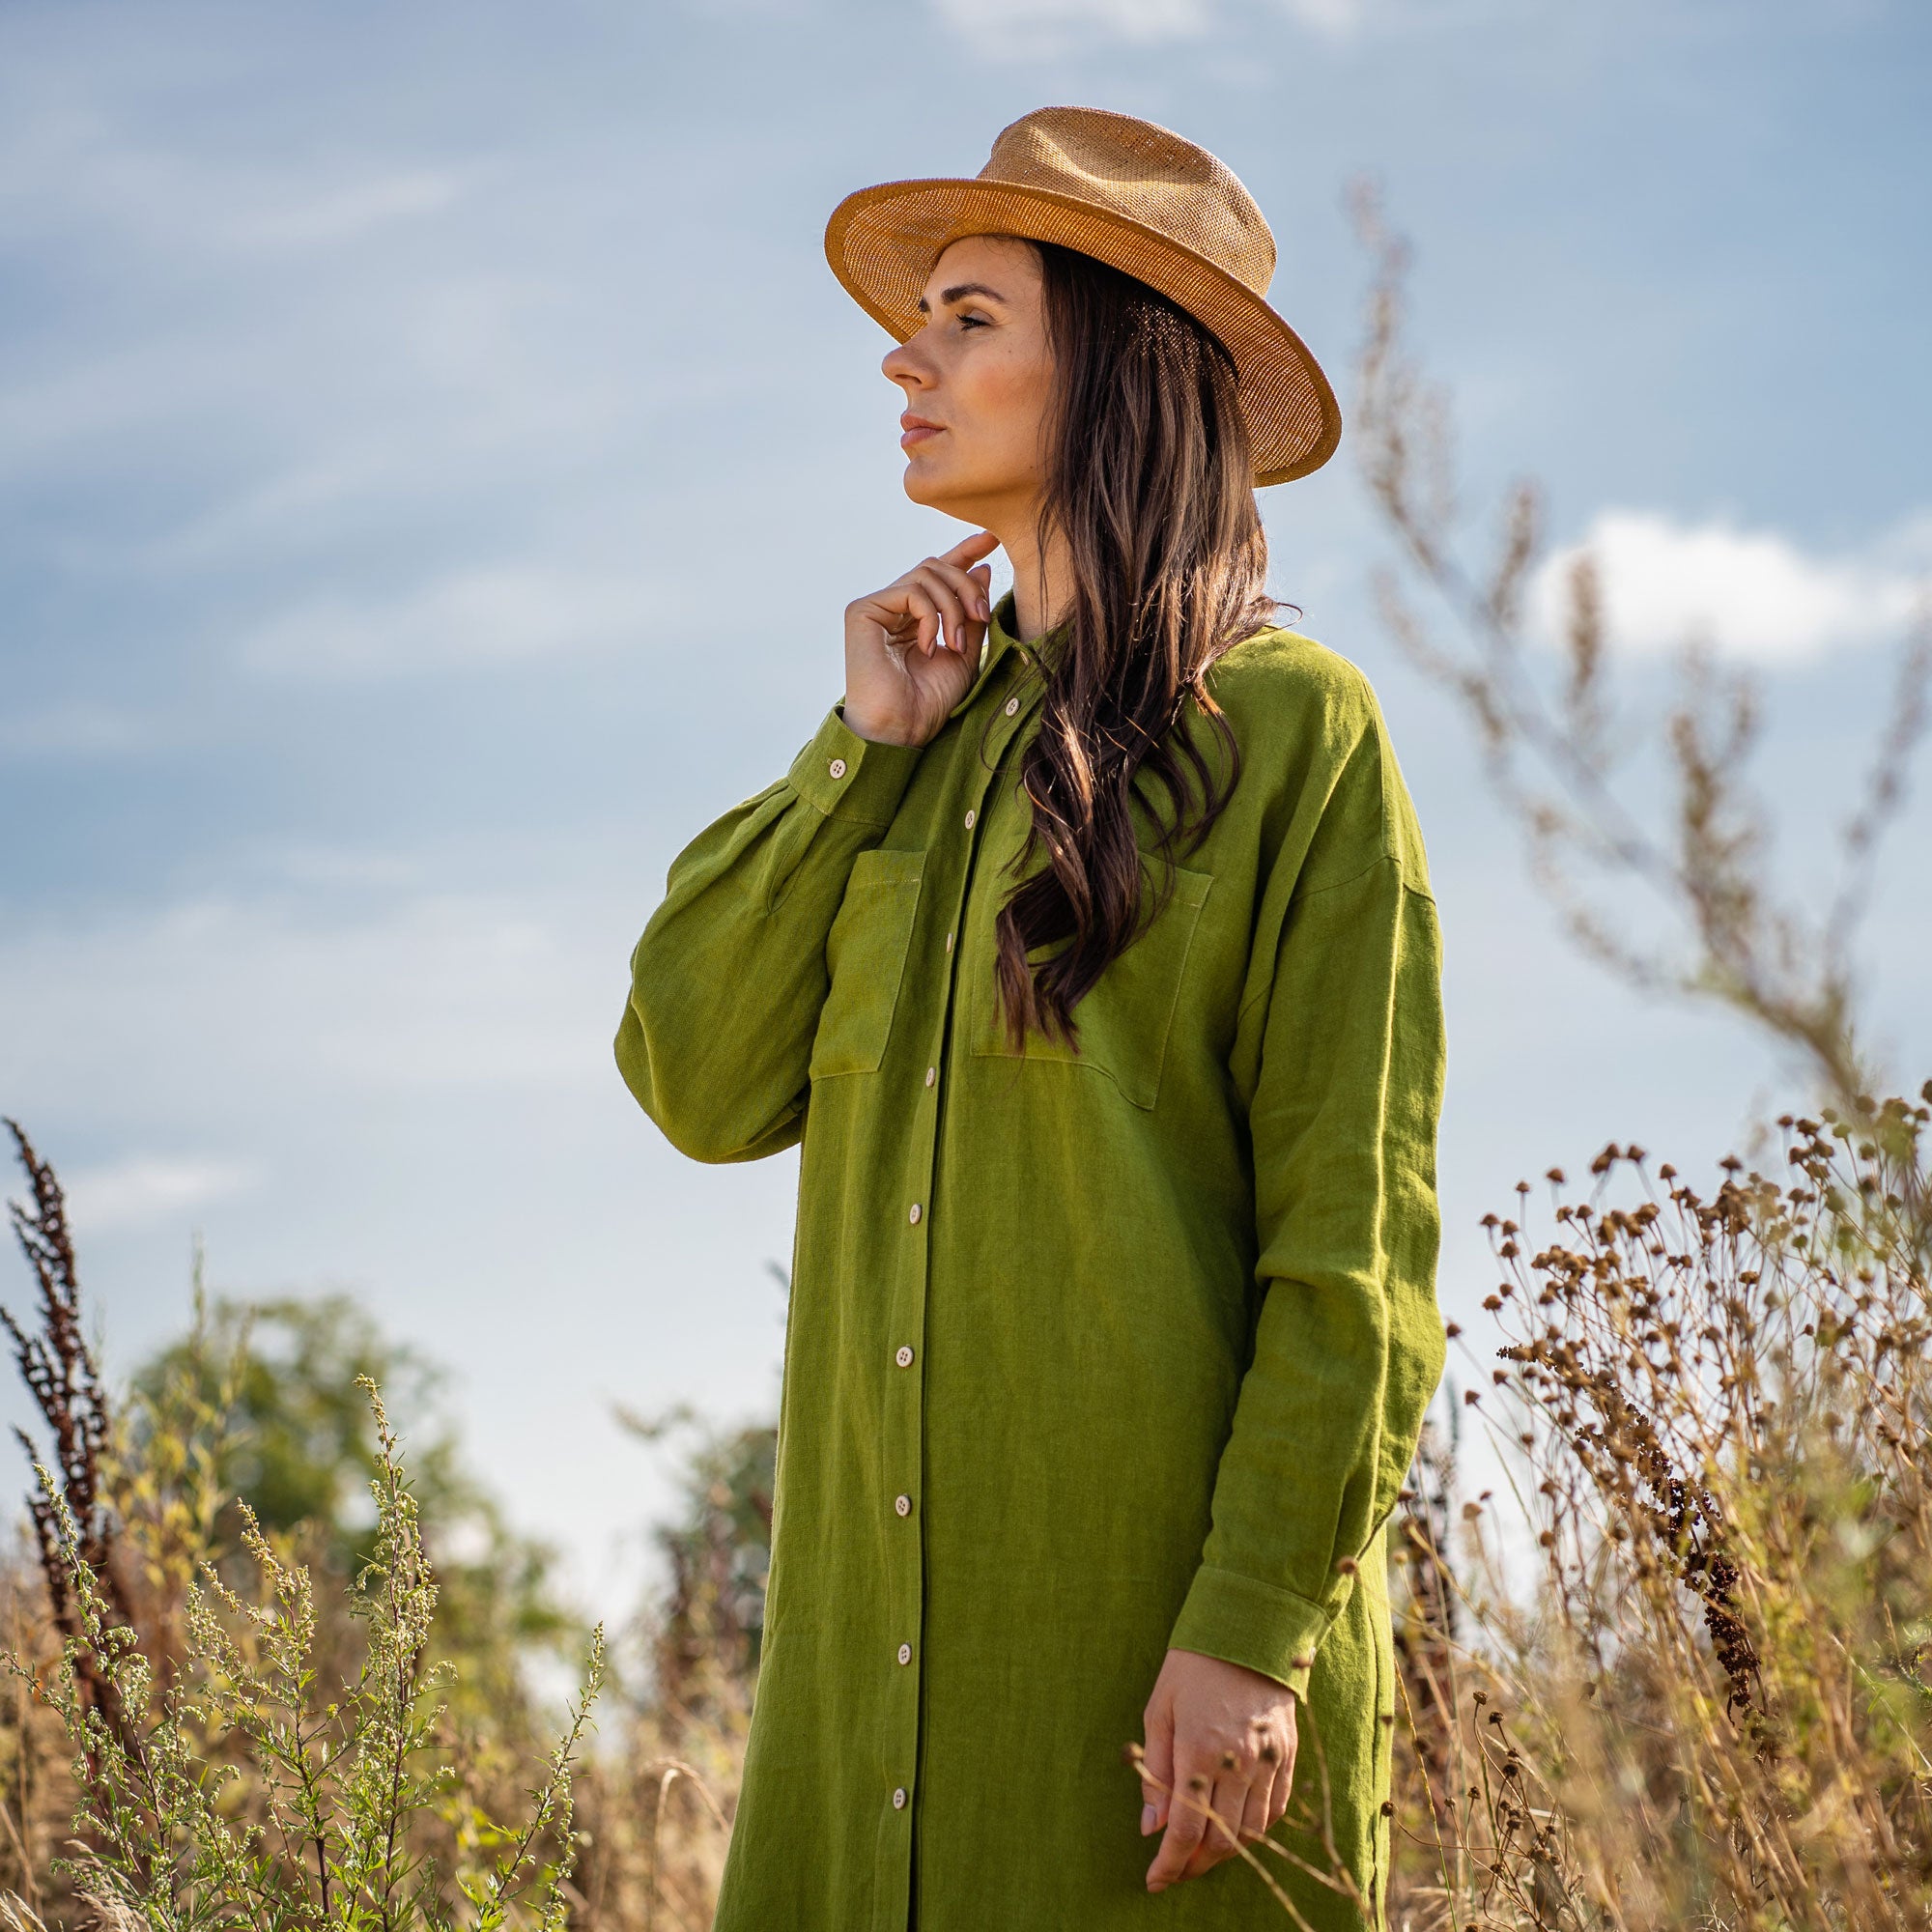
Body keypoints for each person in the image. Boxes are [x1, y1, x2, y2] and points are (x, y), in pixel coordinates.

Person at [614, 105, 1446, 1932]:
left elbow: (1355, 1252)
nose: (903, 355)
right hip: (862, 1757)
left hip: (1161, 1741)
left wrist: (1250, 1632)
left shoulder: (1299, 736)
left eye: (970, 314)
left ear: (1121, 365)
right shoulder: (904, 743)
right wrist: (859, 755)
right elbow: (689, 1068)